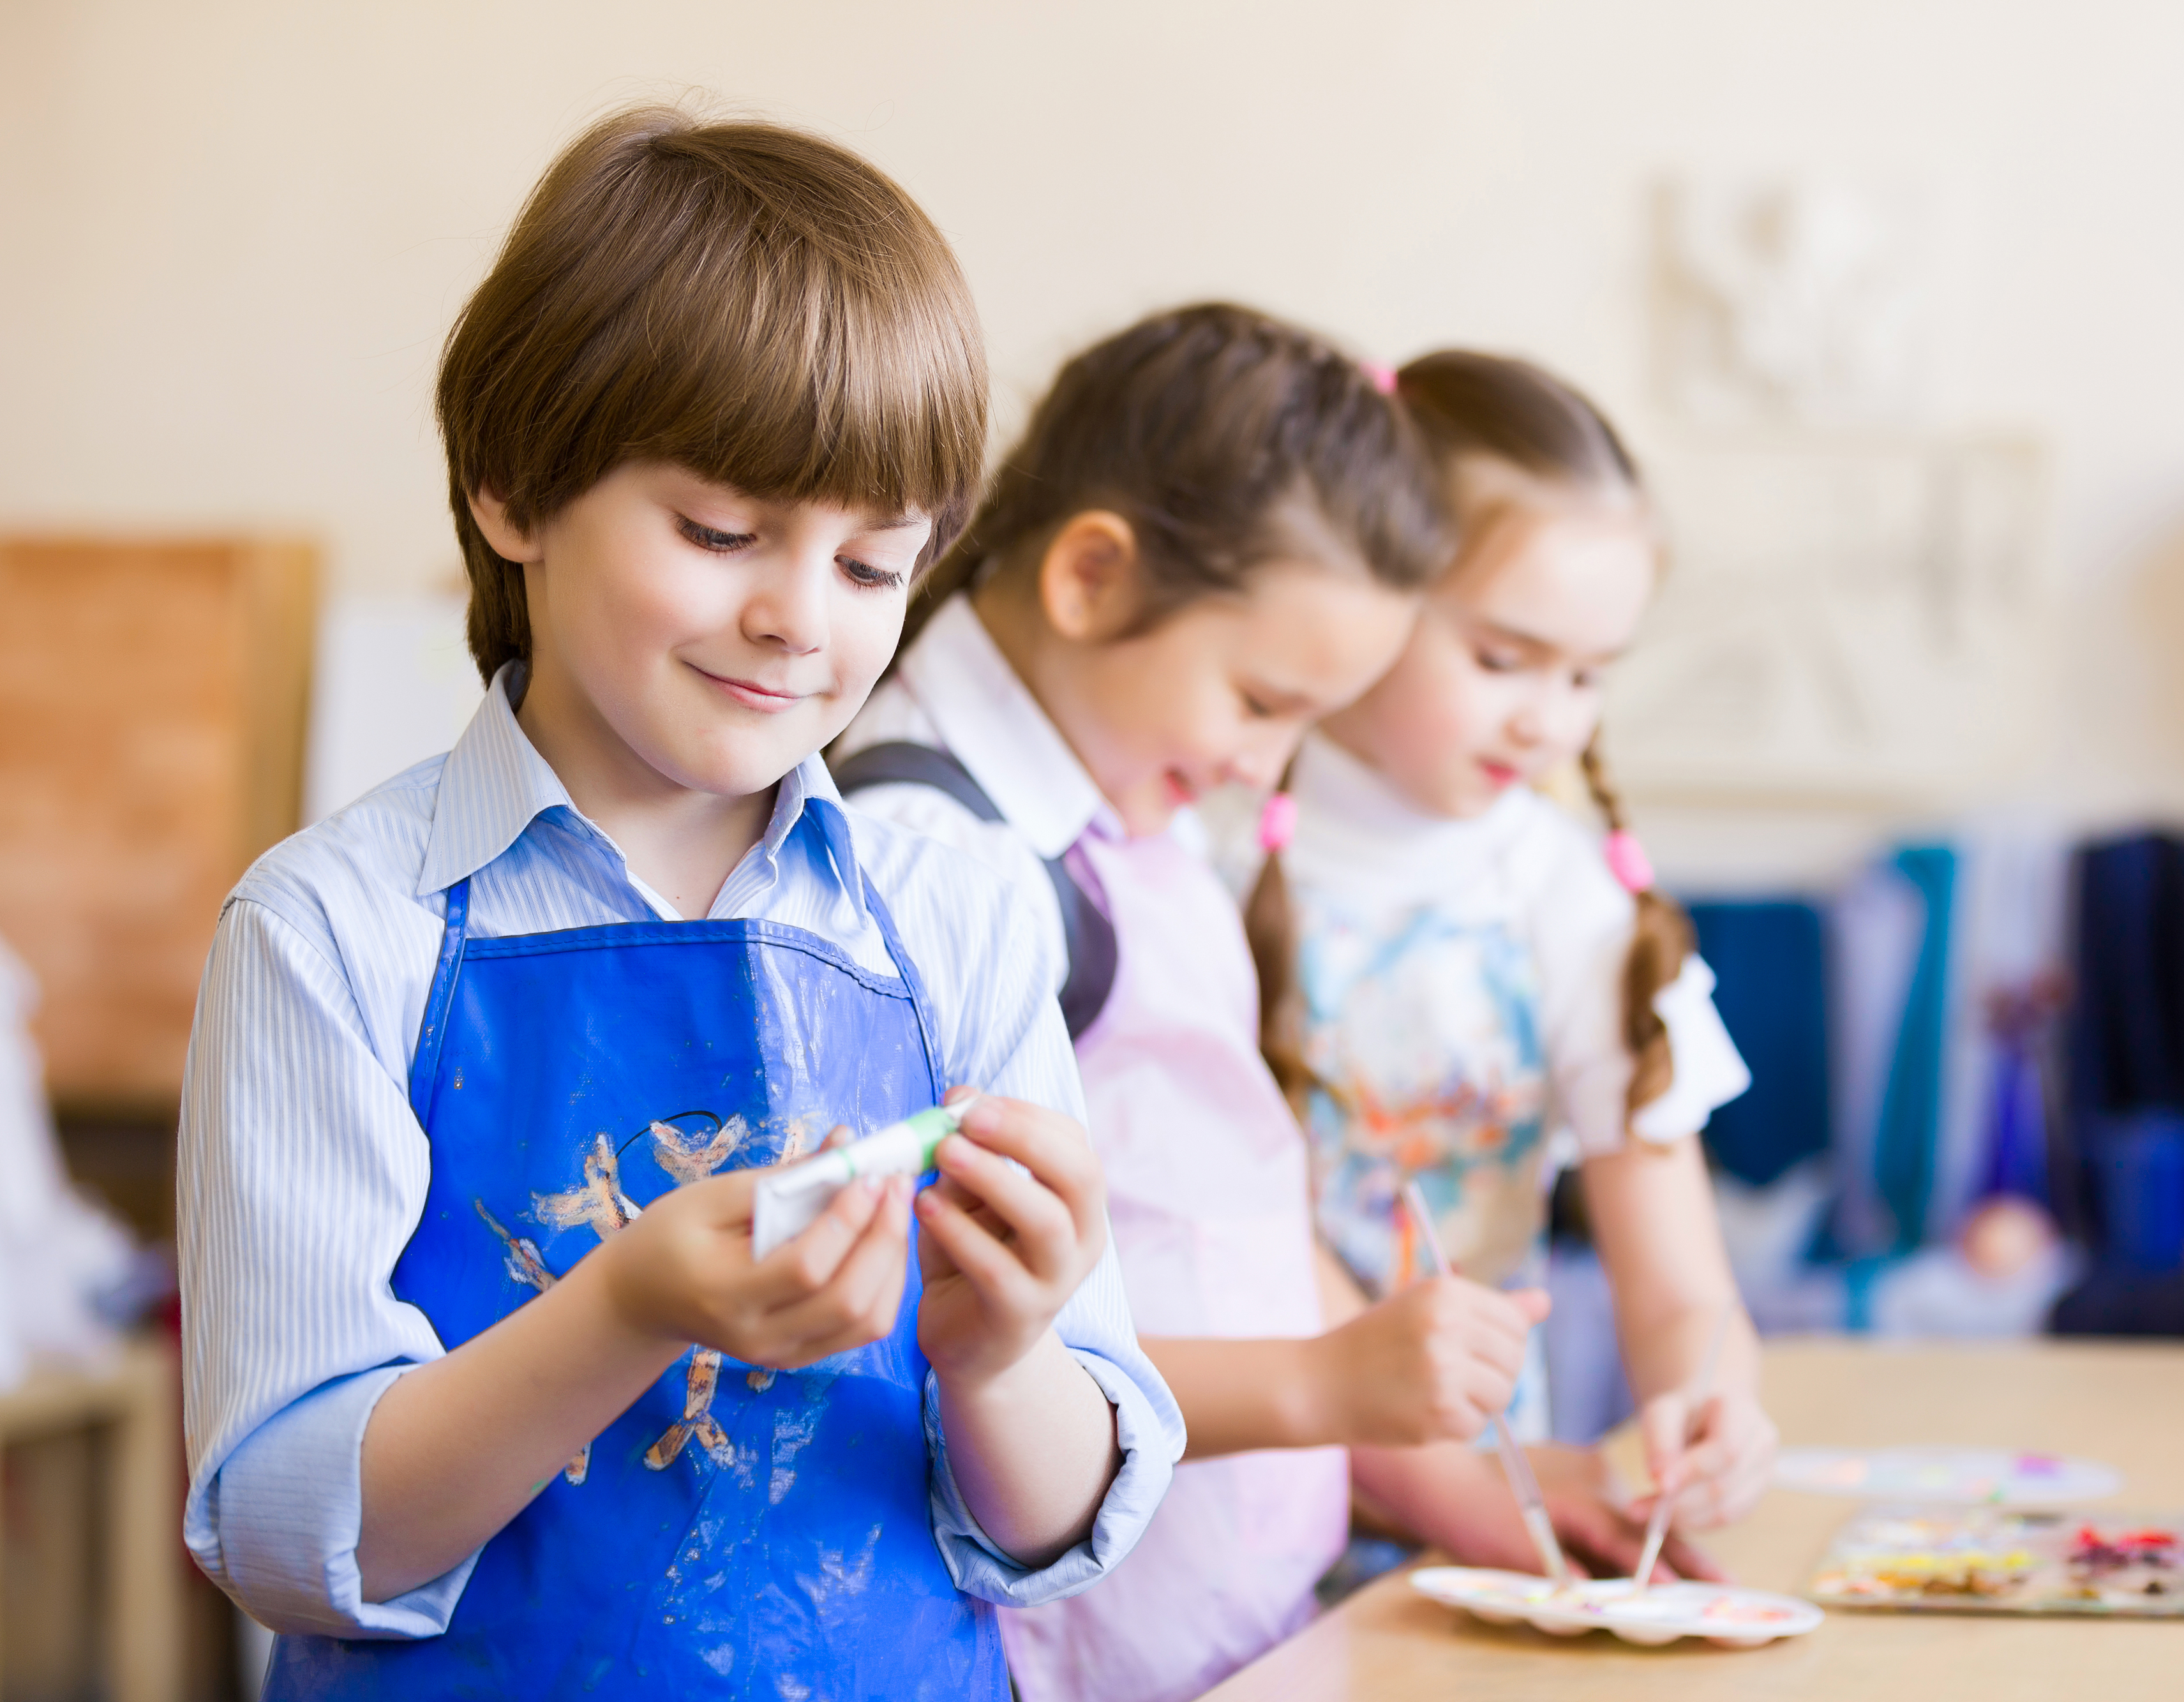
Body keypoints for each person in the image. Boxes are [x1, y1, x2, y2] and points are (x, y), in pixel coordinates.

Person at [175, 105, 1177, 1701]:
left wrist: (999, 1353)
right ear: (513, 488)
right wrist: (625, 1306)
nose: (796, 617)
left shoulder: (962, 907)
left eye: (872, 566)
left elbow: (1058, 1521)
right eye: (722, 532)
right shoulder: (332, 930)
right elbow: (292, 1537)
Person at [835, 302, 1545, 1702]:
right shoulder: (941, 860)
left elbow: (1232, 1212)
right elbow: (937, 1339)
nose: (1265, 766)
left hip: (1224, 1630)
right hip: (1072, 1649)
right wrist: (1324, 1385)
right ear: (1092, 574)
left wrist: (1448, 1465)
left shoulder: (1124, 807)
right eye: (1260, 699)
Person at [1246, 350, 1780, 1581]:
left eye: (1589, 675)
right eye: (1502, 659)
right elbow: (1248, 1261)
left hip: (1484, 1545)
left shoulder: (1569, 900)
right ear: (1364, 584)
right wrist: (1457, 1491)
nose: (1549, 719)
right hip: (1242, 1525)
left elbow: (1679, 1291)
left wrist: (1710, 1412)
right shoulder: (1199, 852)